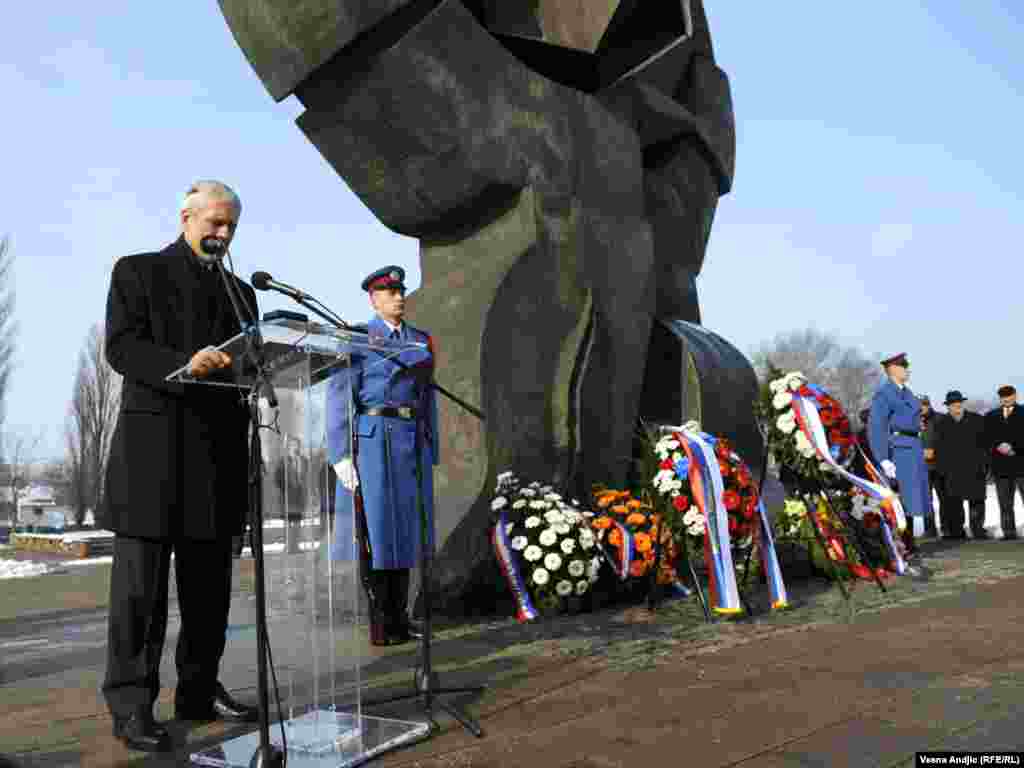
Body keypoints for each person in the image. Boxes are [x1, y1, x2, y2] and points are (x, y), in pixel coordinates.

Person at [99, 181, 259, 752]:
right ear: (186, 217)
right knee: (139, 600)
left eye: (231, 226)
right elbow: (121, 348)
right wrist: (183, 365)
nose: (223, 233)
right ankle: (131, 707)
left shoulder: (242, 293)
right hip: (153, 462)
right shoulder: (137, 271)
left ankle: (198, 692)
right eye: (215, 222)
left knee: (208, 597)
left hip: (217, 463)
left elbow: (249, 363)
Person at [326, 265, 439, 646]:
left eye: (400, 291)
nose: (399, 297)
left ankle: (400, 618)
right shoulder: (358, 338)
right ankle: (382, 622)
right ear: (373, 299)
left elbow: (428, 396)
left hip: (409, 438)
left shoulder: (420, 340)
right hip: (373, 442)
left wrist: (431, 442)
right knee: (375, 532)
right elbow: (340, 394)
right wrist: (341, 454)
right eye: (390, 292)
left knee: (404, 531)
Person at [868, 353, 932, 555]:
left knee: (911, 499)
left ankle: (908, 542)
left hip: (912, 446)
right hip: (898, 450)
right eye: (904, 366)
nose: (907, 369)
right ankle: (900, 544)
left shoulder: (906, 392)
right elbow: (877, 427)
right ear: (893, 370)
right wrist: (883, 458)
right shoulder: (885, 394)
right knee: (900, 500)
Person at [932, 391, 988, 539]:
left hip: (974, 468)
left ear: (962, 403)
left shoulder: (977, 420)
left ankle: (978, 530)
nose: (956, 405)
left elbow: (985, 444)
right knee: (954, 503)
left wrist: (984, 464)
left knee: (976, 500)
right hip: (952, 471)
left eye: (958, 402)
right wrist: (942, 470)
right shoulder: (942, 423)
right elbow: (938, 448)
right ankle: (957, 531)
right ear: (948, 406)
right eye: (952, 404)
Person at [984, 385, 1024, 539]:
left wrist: (1014, 448)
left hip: (1021, 464)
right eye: (1003, 396)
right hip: (1000, 466)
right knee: (1005, 503)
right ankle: (1009, 532)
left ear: (1015, 396)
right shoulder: (991, 415)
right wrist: (997, 446)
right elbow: (987, 437)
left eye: (1009, 395)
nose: (1006, 399)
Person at [919, 396, 941, 536]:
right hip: (921, 467)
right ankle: (930, 530)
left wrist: (934, 450)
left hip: (940, 466)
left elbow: (948, 440)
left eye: (924, 404)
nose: (922, 407)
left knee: (945, 498)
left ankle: (950, 529)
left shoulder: (940, 419)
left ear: (929, 405)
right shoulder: (911, 421)